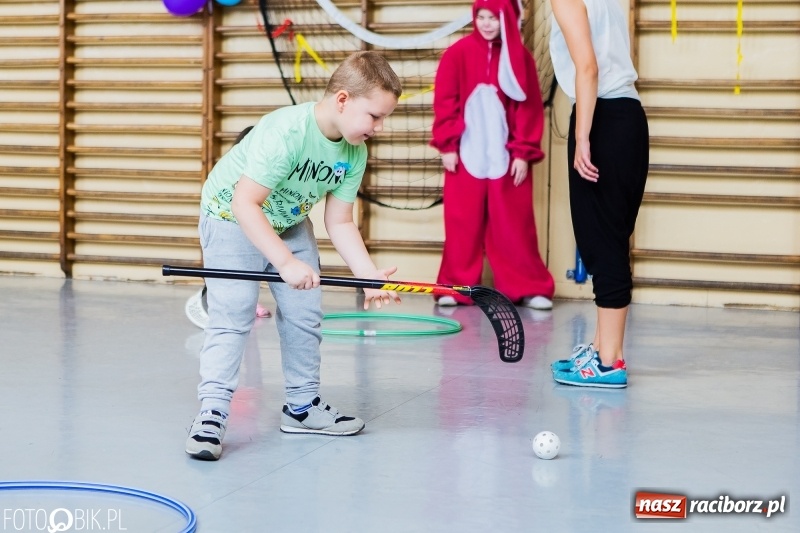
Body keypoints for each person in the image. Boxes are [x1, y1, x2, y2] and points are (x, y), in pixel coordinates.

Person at [185, 51, 403, 460]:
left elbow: (339, 221)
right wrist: (284, 262)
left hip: (287, 218)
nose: (380, 127)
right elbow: (245, 204)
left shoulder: (354, 152)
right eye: (375, 116)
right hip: (231, 215)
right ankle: (212, 411)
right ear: (342, 100)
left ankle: (302, 407)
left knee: (305, 313)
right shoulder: (287, 132)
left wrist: (367, 273)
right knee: (232, 314)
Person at [548, 0, 650, 388]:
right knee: (610, 239)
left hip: (602, 118)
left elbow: (587, 68)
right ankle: (604, 349)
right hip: (628, 117)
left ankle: (608, 361)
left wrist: (582, 136)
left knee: (602, 243)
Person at [430, 0, 555, 310]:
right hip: (465, 154)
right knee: (461, 222)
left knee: (514, 224)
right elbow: (445, 102)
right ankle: (455, 286)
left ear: (508, 19)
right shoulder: (457, 54)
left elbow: (528, 109)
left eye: (493, 18)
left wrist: (523, 152)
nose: (486, 24)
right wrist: (448, 145)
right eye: (481, 17)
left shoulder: (519, 59)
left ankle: (528, 286)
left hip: (507, 157)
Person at [184, 126, 273, 328]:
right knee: (228, 276)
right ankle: (215, 299)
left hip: (255, 231)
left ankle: (249, 302)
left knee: (252, 275)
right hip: (228, 231)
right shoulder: (231, 175)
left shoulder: (264, 173)